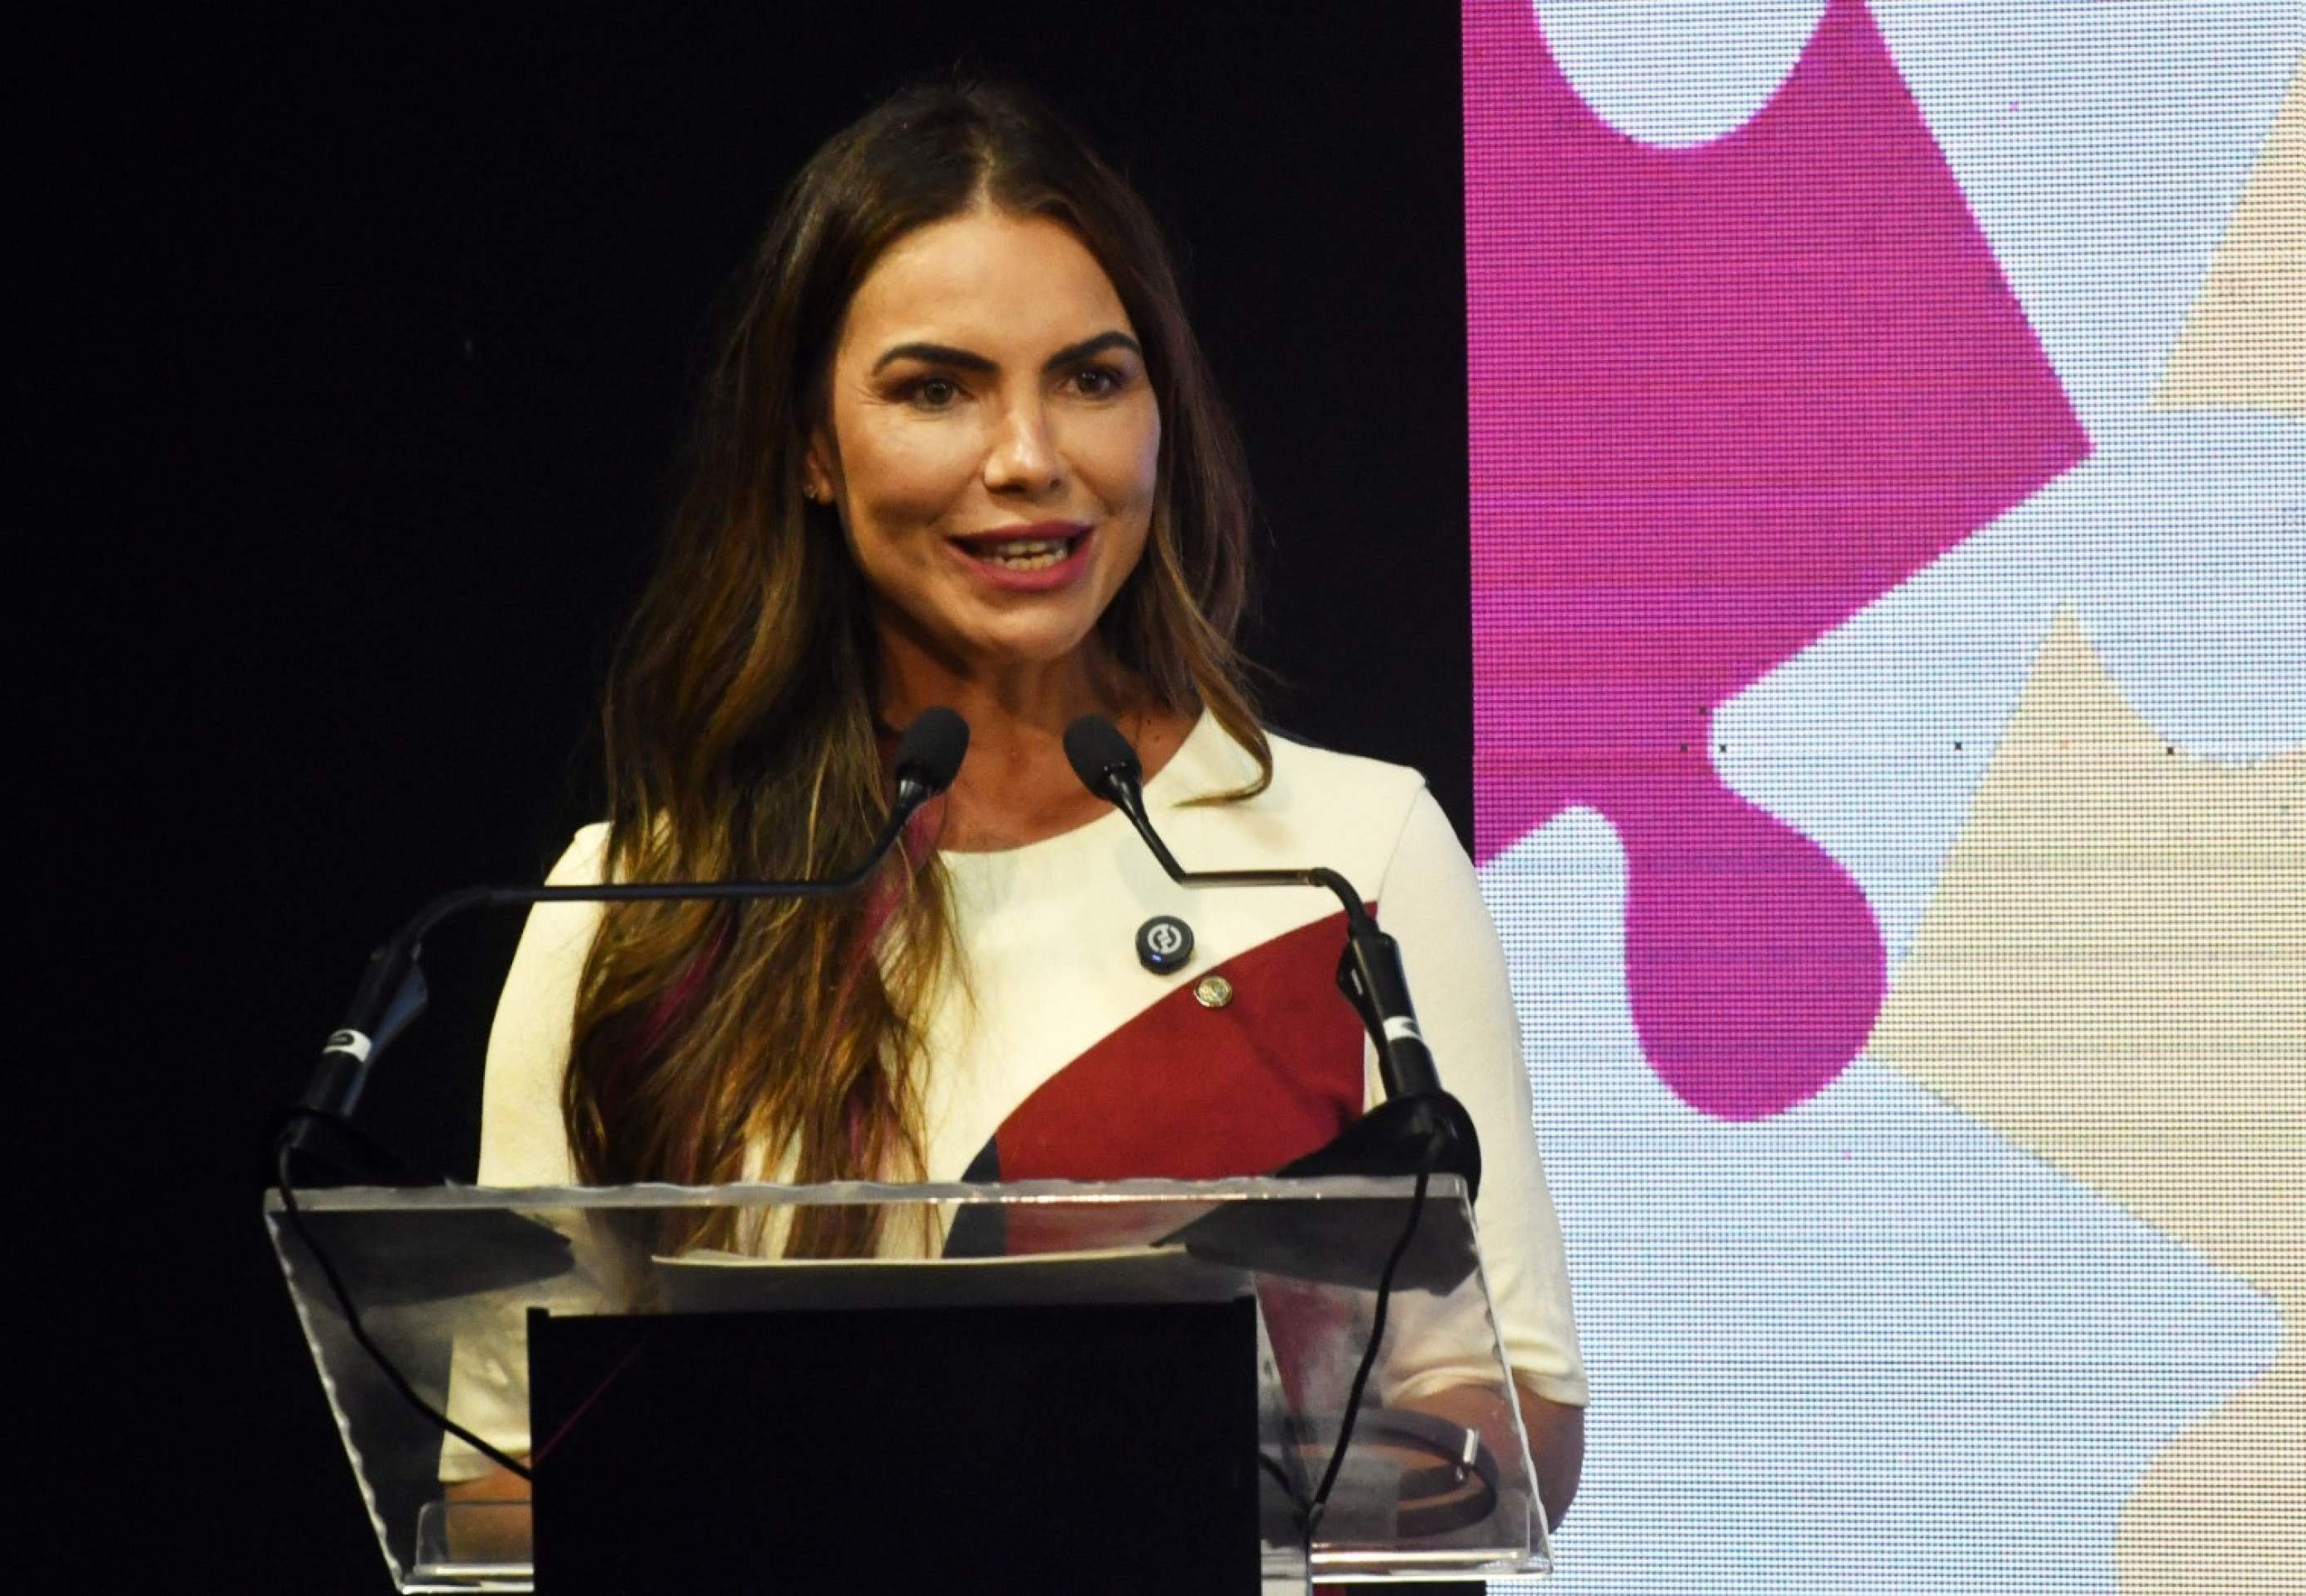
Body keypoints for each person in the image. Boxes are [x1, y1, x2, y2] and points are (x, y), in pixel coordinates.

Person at [448, 78, 1585, 1531]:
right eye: (935, 388)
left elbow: (1513, 1412)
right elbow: (491, 1482)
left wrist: (1151, 1472)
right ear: (809, 445)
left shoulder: (1344, 861)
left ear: (1161, 417)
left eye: (1091, 379)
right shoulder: (638, 905)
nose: (1029, 457)